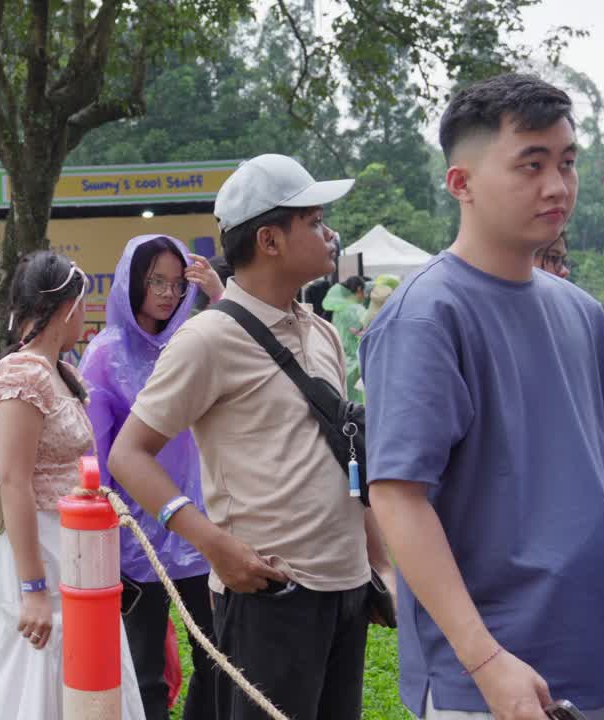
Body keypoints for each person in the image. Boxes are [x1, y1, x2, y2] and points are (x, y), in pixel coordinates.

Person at [362, 74, 604, 720]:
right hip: (494, 677)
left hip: (600, 654)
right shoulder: (427, 316)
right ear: (462, 183)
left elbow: (601, 470)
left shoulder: (581, 313)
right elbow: (398, 496)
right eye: (530, 165)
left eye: (566, 163)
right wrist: (485, 661)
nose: (556, 186)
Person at [108, 154, 394, 720]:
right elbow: (127, 454)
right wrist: (213, 543)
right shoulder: (208, 339)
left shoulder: (320, 332)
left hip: (346, 589)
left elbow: (345, 454)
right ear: (269, 239)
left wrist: (376, 565)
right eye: (313, 221)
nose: (330, 234)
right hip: (271, 593)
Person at [0, 250, 145, 720]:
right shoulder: (22, 372)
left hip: (76, 543)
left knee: (86, 659)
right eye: (84, 303)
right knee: (37, 662)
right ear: (67, 307)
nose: (87, 315)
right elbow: (14, 481)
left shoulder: (61, 371)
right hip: (37, 543)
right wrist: (33, 587)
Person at [80, 235, 223, 720]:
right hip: (135, 537)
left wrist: (221, 298)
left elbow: (251, 354)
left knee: (219, 656)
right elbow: (95, 455)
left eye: (176, 283)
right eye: (155, 281)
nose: (166, 293)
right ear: (130, 283)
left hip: (200, 527)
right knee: (144, 668)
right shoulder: (104, 354)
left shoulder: (198, 340)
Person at [324, 276, 367, 403]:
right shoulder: (356, 309)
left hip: (340, 362)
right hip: (355, 366)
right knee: (358, 404)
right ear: (359, 289)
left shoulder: (338, 309)